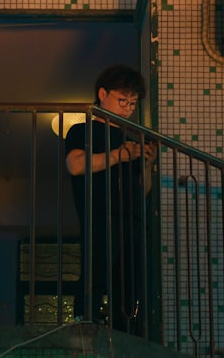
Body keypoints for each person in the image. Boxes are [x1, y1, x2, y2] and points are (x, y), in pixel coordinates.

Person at [64, 65, 157, 335]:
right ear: (102, 94)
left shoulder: (132, 139)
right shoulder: (82, 130)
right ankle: (87, 330)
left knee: (129, 285)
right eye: (122, 100)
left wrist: (148, 166)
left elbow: (144, 190)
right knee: (94, 277)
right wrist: (118, 155)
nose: (127, 109)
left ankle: (125, 333)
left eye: (132, 103)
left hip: (133, 219)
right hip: (100, 215)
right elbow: (75, 165)